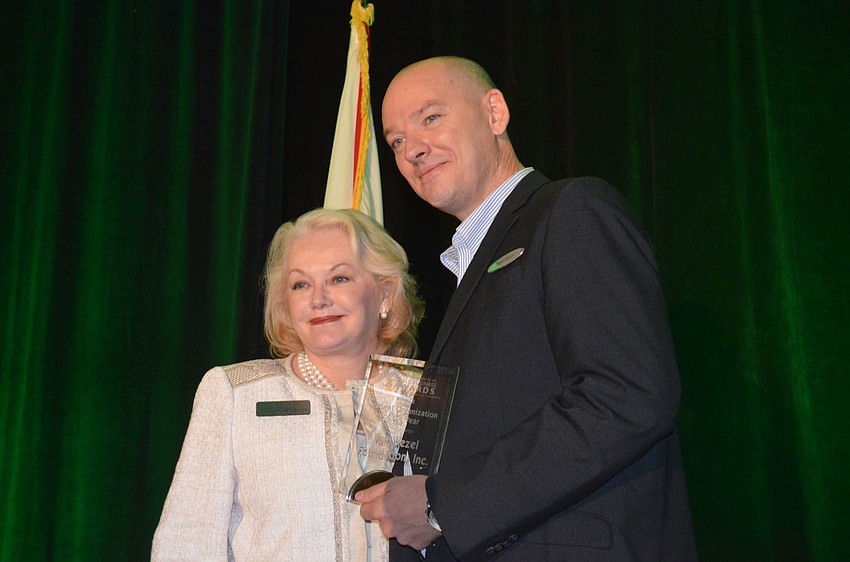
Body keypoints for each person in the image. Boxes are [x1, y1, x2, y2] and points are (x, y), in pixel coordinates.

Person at [356, 56, 697, 561]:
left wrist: (439, 505)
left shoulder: (570, 210)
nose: (414, 150)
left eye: (430, 118)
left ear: (495, 113)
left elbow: (626, 394)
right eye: (397, 141)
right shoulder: (475, 267)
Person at [152, 208, 425, 561]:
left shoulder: (432, 395)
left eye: (339, 278)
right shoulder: (236, 393)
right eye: (301, 285)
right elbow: (187, 542)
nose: (318, 299)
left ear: (384, 293)